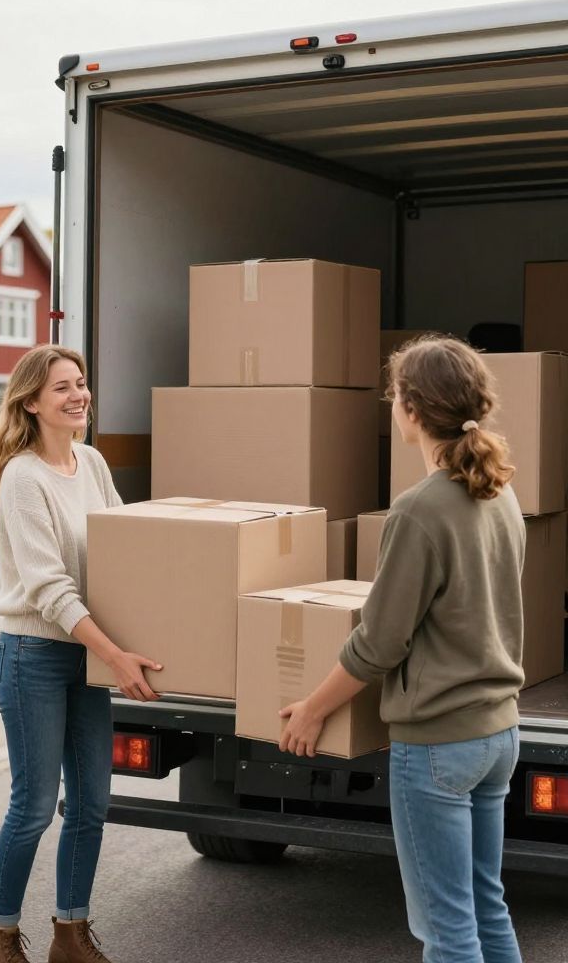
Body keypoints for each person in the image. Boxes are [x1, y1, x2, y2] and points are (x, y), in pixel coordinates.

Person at [279, 335, 525, 963]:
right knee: (485, 905)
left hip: (440, 744)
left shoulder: (419, 511)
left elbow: (380, 642)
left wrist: (312, 707)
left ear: (411, 410)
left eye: (395, 397)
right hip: (498, 734)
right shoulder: (499, 495)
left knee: (446, 931)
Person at [0, 344, 162, 963]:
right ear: (31, 402)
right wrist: (114, 654)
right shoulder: (22, 477)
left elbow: (118, 554)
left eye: (81, 383)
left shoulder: (91, 461)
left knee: (91, 803)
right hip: (34, 655)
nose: (78, 395)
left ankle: (70, 933)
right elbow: (49, 588)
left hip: (85, 655)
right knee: (32, 806)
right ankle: (0, 937)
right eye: (62, 387)